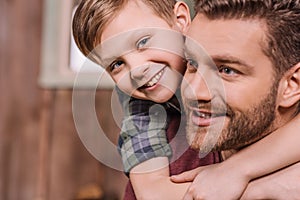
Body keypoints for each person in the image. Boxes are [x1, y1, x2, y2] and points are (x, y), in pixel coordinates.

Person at [72, 0, 300, 199]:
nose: (137, 70)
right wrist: (266, 189)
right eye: (117, 64)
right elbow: (153, 193)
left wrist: (237, 170)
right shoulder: (143, 111)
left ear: (181, 20)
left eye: (227, 70)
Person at [171, 0, 300, 199]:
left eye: (226, 71)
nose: (194, 92)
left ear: (292, 84)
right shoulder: (167, 153)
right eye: (192, 63)